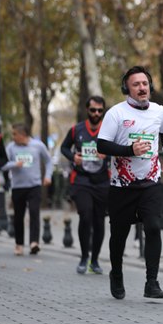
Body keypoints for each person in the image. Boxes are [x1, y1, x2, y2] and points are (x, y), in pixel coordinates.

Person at [97, 65, 163, 300]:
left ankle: (152, 282)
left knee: (153, 227)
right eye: (136, 84)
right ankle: (116, 273)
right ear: (127, 89)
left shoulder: (158, 111)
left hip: (150, 182)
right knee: (119, 235)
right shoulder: (116, 113)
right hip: (122, 186)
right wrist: (130, 150)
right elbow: (102, 145)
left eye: (145, 83)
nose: (142, 88)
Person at [60, 96, 110, 275]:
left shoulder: (109, 130)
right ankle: (83, 257)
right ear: (87, 110)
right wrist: (74, 157)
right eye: (93, 110)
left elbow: (119, 150)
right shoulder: (77, 130)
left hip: (102, 181)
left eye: (100, 110)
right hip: (81, 180)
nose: (96, 113)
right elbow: (64, 148)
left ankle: (94, 260)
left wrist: (107, 154)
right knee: (86, 215)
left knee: (99, 221)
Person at [2, 123, 53, 256]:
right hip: (18, 186)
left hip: (34, 186)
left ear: (23, 134)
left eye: (15, 134)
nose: (13, 137)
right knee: (18, 216)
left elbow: (48, 161)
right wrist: (14, 164)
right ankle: (19, 244)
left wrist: (48, 176)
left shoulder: (38, 145)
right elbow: (2, 164)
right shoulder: (11, 147)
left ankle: (34, 243)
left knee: (34, 213)